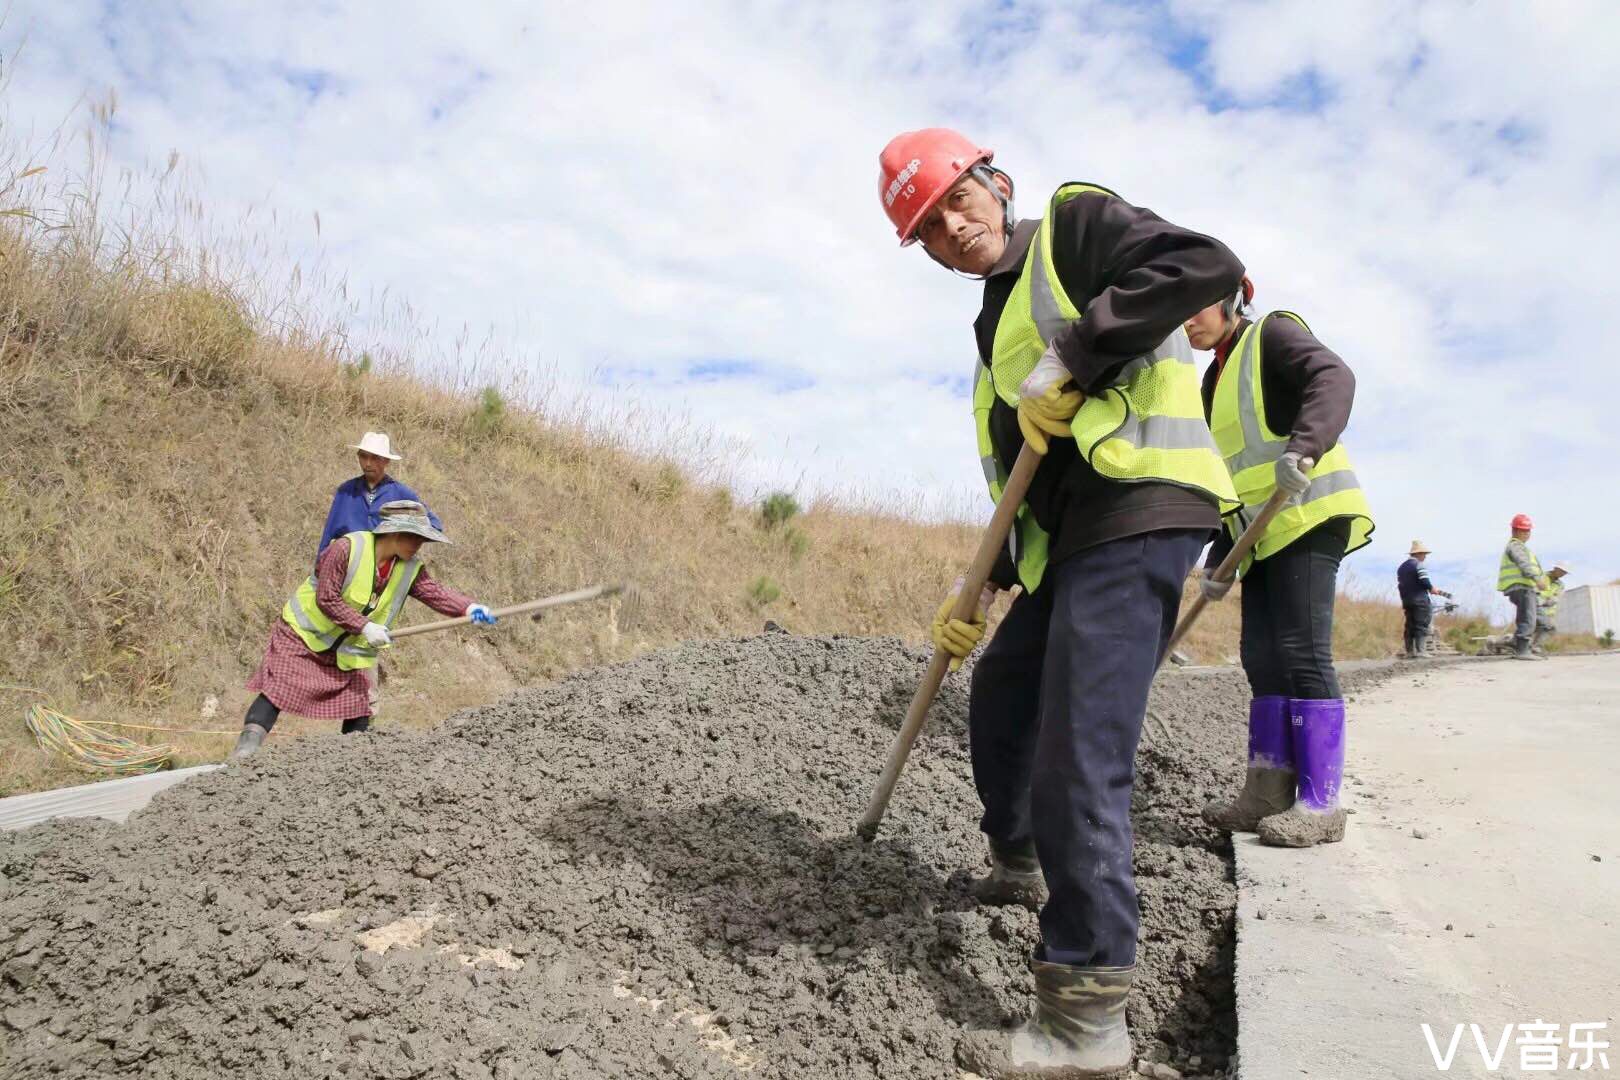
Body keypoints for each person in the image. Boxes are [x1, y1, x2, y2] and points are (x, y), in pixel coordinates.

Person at [880, 127, 1242, 1076]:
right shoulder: (989, 324)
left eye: (960, 200)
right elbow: (1027, 472)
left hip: (1144, 509)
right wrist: (985, 584)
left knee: (1081, 748)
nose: (953, 228)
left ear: (995, 184)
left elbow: (1204, 264)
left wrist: (1079, 351)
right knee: (1002, 696)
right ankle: (1018, 858)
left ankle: (1085, 1012)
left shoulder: (1072, 230)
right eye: (929, 227)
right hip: (1068, 540)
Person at [1183, 277, 1374, 849]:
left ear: (1231, 300)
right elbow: (1231, 480)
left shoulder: (1272, 335)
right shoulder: (1212, 381)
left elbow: (1334, 377)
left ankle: (1320, 805)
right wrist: (1220, 561)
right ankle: (1266, 795)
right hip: (1262, 532)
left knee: (1300, 650)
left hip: (1309, 513)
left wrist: (1304, 447)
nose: (1186, 322)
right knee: (1260, 656)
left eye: (1194, 308)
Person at [231, 501, 496, 759]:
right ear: (393, 532)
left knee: (359, 706)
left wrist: (469, 608)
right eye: (415, 538)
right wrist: (364, 625)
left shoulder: (409, 568)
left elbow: (435, 593)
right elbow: (327, 598)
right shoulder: (346, 548)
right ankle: (246, 751)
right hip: (304, 633)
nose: (419, 546)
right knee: (279, 688)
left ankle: (352, 764)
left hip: (346, 649)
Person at [316, 432, 443, 561]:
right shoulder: (346, 491)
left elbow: (433, 524)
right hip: (346, 564)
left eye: (375, 458)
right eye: (363, 457)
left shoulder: (401, 493)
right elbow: (329, 532)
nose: (368, 463)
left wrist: (404, 540)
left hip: (384, 569)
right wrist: (319, 569)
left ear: (386, 461)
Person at [1498, 513, 1550, 661]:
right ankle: (1522, 650)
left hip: (1527, 588)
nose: (1528, 534)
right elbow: (1524, 564)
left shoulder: (1522, 547)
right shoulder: (1515, 546)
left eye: (1528, 531)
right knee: (1527, 618)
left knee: (1542, 621)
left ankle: (1519, 644)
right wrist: (1536, 579)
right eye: (1524, 530)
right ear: (1515, 531)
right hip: (1521, 587)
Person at [1397, 540, 1452, 658]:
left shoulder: (1401, 567)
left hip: (1406, 600)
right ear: (1418, 554)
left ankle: (1410, 652)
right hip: (1420, 600)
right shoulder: (1418, 565)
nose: (1425, 557)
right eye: (1424, 554)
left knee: (1409, 625)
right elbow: (1424, 580)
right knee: (1421, 624)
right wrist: (1432, 588)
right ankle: (1421, 651)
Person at [1534, 561, 1569, 653]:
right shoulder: (1542, 577)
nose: (1563, 574)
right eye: (1562, 571)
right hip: (1536, 608)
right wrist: (1541, 601)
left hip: (1549, 612)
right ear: (1556, 569)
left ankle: (1534, 647)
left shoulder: (1560, 585)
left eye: (1565, 573)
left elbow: (1557, 596)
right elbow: (1534, 591)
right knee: (1535, 628)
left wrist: (1553, 600)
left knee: (1550, 629)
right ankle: (1531, 647)